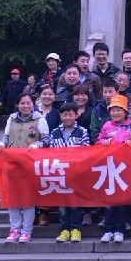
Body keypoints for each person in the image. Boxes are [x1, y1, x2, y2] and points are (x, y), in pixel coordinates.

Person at [0, 92, 49, 243]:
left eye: (28, 103)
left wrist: (38, 145)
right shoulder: (11, 119)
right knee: (13, 199)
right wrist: (1, 144)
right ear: (17, 105)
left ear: (33, 104)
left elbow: (47, 139)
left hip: (30, 164)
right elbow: (6, 137)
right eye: (22, 103)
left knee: (28, 199)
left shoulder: (39, 119)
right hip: (12, 163)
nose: (26, 106)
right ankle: (14, 229)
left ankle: (26, 230)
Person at [96, 94, 131, 243]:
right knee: (109, 201)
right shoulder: (107, 125)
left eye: (119, 109)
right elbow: (98, 141)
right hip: (109, 167)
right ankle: (108, 230)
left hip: (126, 168)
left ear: (125, 111)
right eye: (112, 110)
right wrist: (104, 143)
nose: (115, 113)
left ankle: (120, 230)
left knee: (122, 202)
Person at [50, 103, 91, 243]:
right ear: (60, 116)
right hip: (60, 174)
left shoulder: (82, 131)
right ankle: (64, 230)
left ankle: (76, 229)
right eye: (65, 115)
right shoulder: (54, 132)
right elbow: (50, 152)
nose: (67, 117)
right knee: (62, 205)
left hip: (76, 174)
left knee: (75, 204)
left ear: (76, 115)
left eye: (70, 114)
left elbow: (86, 151)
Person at [89, 79, 119, 144]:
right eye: (105, 92)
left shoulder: (124, 108)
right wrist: (101, 141)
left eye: (110, 92)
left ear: (117, 92)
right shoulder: (97, 110)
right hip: (102, 145)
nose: (107, 95)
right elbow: (94, 131)